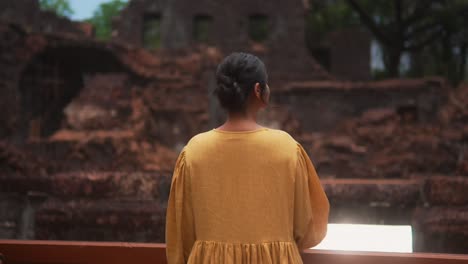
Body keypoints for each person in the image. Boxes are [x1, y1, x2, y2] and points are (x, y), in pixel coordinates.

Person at [166, 52, 329, 264]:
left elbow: (181, 236)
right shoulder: (287, 148)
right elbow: (307, 229)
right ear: (258, 91)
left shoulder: (194, 151)